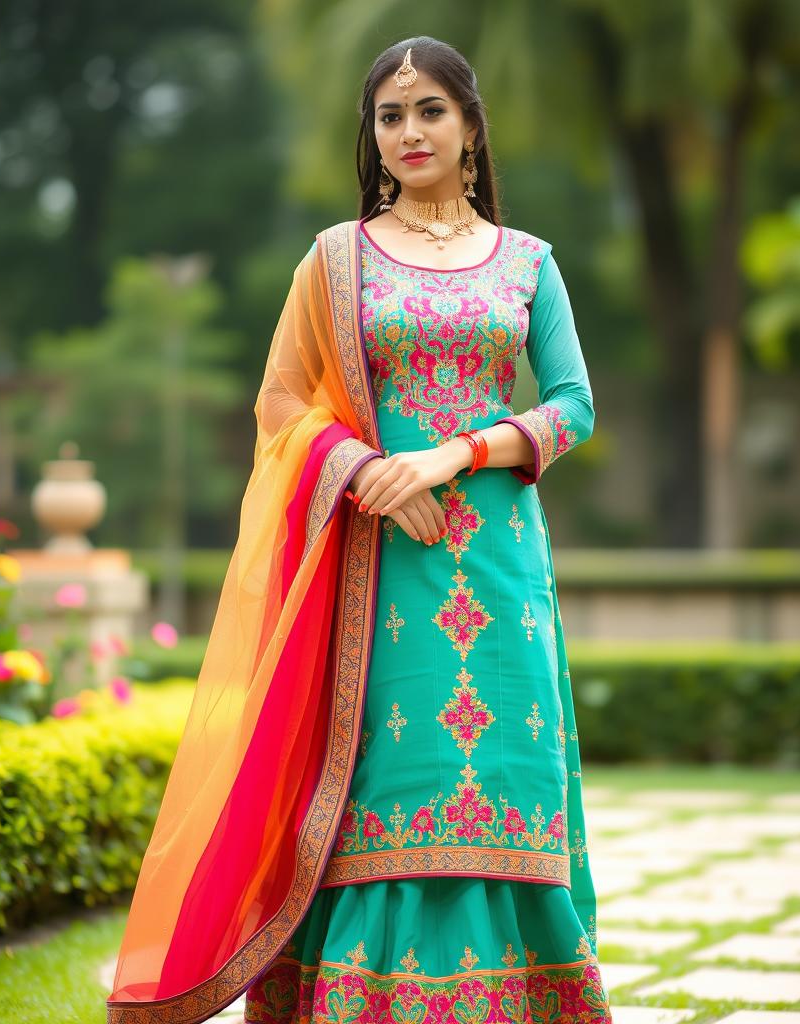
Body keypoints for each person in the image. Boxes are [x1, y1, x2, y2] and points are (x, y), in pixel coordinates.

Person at [107, 35, 612, 1024]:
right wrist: (366, 471)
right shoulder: (333, 261)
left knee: (503, 766)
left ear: (470, 128)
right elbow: (281, 401)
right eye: (390, 114)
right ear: (371, 138)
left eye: (430, 110)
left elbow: (574, 405)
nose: (410, 130)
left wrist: (452, 454)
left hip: (498, 563)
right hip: (376, 570)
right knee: (390, 770)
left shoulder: (526, 262)